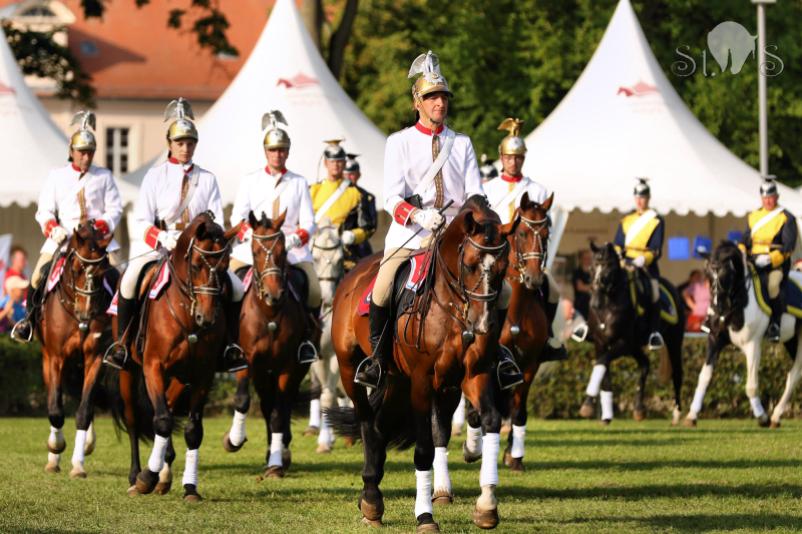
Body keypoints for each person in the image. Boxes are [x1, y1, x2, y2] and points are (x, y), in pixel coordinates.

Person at [353, 50, 522, 390]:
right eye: (431, 97)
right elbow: (390, 197)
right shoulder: (398, 142)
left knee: (501, 293)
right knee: (383, 288)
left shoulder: (461, 143)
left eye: (443, 97)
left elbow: (475, 193)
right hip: (411, 236)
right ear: (417, 102)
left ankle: (497, 356)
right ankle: (378, 361)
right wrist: (418, 215)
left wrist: (471, 219)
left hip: (457, 240)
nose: (439, 103)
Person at [104, 98, 247, 371]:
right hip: (163, 248)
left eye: (190, 143)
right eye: (180, 143)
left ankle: (231, 346)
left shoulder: (207, 179)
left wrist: (205, 241)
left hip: (200, 253)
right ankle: (122, 344)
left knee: (237, 287)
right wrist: (162, 237)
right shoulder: (155, 176)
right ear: (170, 144)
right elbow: (142, 220)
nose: (185, 148)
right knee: (129, 280)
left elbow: (216, 221)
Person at [12, 111, 123, 343]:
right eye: (82, 152)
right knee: (36, 277)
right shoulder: (57, 176)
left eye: (90, 152)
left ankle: (121, 332)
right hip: (63, 238)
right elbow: (44, 211)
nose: (86, 157)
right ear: (71, 152)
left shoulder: (103, 176)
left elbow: (114, 210)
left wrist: (99, 229)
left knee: (120, 278)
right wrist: (53, 228)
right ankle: (28, 322)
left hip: (97, 241)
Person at [229, 110, 320, 363]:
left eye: (282, 150)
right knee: (230, 284)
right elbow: (237, 219)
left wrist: (294, 239)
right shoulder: (250, 180)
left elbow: (309, 222)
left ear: (288, 152)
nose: (277, 154)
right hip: (252, 250)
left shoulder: (299, 182)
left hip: (291, 249)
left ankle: (307, 342)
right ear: (265, 152)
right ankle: (231, 342)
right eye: (273, 150)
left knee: (314, 289)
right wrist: (252, 238)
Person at [483, 117, 566, 360]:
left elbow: (542, 228)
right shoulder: (488, 189)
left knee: (555, 291)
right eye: (509, 157)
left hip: (527, 256)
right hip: (496, 254)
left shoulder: (538, 190)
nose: (513, 162)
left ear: (523, 159)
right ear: (502, 157)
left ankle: (548, 338)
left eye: (518, 157)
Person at [739, 177, 798, 342]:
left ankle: (775, 324)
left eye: (770, 198)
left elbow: (788, 247)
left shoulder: (786, 217)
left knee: (772, 286)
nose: (768, 201)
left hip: (776, 265)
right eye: (765, 198)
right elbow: (744, 239)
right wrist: (742, 251)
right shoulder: (754, 216)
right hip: (753, 261)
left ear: (777, 197)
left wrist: (771, 259)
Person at [613, 178, 665, 350]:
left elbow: (656, 248)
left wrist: (642, 259)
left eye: (642, 197)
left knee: (655, 292)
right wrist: (619, 256)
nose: (639, 201)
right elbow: (618, 242)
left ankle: (654, 333)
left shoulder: (656, 219)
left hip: (645, 265)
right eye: (637, 197)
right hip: (624, 263)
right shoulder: (626, 219)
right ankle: (593, 326)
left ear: (648, 198)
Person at [309, 141, 376, 272]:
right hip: (315, 252)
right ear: (325, 163)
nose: (336, 164)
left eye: (339, 161)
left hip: (346, 253)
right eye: (332, 161)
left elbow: (368, 227)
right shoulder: (312, 189)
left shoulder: (358, 193)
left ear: (344, 163)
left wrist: (352, 236)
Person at [341, 153, 377, 270]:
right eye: (345, 174)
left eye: (351, 174)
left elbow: (371, 226)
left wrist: (354, 236)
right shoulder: (331, 197)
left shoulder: (366, 197)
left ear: (358, 175)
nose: (348, 178)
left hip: (358, 248)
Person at [573, 249, 593, 321]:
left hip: (591, 308)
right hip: (580, 306)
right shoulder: (577, 272)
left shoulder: (593, 273)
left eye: (589, 259)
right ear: (581, 259)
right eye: (586, 258)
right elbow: (580, 287)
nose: (588, 261)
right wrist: (592, 287)